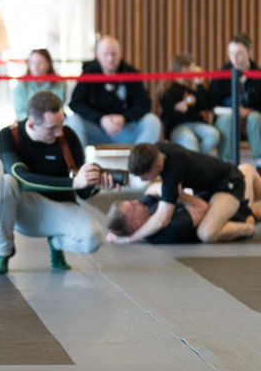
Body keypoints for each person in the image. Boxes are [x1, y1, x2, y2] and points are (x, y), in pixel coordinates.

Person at [0, 91, 110, 275]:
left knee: (94, 238)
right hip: (23, 210)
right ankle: (2, 253)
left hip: (59, 208)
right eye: (52, 128)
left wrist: (95, 184)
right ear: (31, 124)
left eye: (61, 124)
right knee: (5, 181)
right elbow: (20, 176)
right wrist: (73, 183)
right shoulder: (7, 136)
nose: (59, 131)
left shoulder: (67, 137)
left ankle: (56, 243)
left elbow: (82, 191)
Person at [110, 142, 256, 245]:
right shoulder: (156, 150)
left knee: (207, 233)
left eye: (144, 176)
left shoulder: (172, 171)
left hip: (228, 184)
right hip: (207, 188)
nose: (142, 180)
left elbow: (162, 219)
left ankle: (247, 228)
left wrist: (131, 238)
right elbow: (153, 188)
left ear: (158, 166)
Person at [68, 36, 162, 147]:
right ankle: (80, 163)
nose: (110, 59)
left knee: (152, 121)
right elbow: (75, 103)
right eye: (106, 54)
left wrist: (124, 118)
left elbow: (145, 104)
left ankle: (141, 162)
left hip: (125, 129)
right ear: (97, 55)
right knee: (73, 121)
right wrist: (101, 119)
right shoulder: (88, 73)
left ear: (121, 54)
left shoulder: (132, 73)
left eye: (114, 54)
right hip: (96, 130)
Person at [210, 34, 261, 164]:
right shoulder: (221, 75)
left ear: (249, 52)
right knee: (227, 119)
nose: (235, 58)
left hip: (251, 118)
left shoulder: (258, 74)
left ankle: (260, 161)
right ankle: (226, 164)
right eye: (231, 54)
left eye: (239, 54)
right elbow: (212, 102)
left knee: (255, 117)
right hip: (228, 117)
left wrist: (250, 110)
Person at [159, 53, 219, 154]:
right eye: (193, 69)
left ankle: (198, 162)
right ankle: (198, 165)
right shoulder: (169, 91)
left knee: (213, 134)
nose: (196, 72)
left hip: (195, 124)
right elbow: (166, 118)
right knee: (190, 139)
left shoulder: (191, 90)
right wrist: (177, 111)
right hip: (177, 127)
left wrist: (200, 85)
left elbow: (205, 106)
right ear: (184, 69)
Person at [12, 48, 67, 120]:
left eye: (40, 63)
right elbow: (20, 112)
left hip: (53, 121)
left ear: (48, 64)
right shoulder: (22, 83)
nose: (35, 67)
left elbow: (58, 106)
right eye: (32, 63)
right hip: (27, 121)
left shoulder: (59, 81)